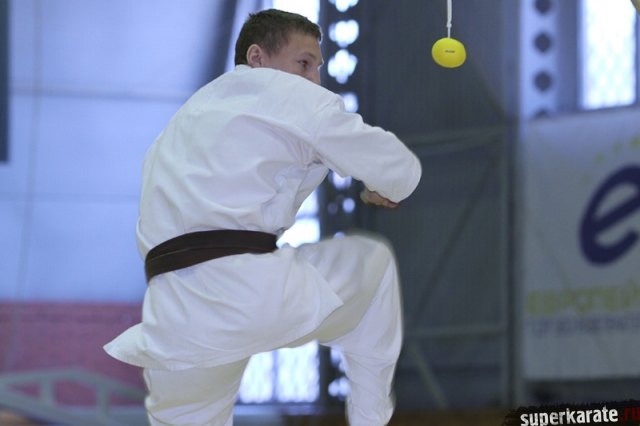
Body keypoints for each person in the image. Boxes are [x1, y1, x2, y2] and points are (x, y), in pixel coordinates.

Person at [104, 9, 421, 426]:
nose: (313, 80)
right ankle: (370, 418)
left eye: (317, 68)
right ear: (256, 57)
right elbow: (398, 167)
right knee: (373, 262)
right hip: (249, 293)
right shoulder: (288, 96)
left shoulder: (182, 122)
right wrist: (384, 186)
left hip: (173, 320)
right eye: (303, 63)